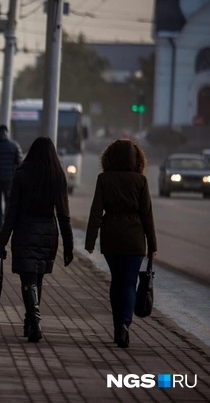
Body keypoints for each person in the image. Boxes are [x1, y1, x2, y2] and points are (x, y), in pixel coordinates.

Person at [0, 136, 74, 343]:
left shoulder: (22, 174)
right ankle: (30, 322)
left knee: (28, 279)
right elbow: (64, 214)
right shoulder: (57, 175)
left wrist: (2, 240)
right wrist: (69, 246)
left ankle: (35, 322)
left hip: (25, 230)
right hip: (48, 232)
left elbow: (11, 212)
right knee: (37, 278)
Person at [84, 138, 157, 348]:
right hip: (135, 239)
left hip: (111, 237)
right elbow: (147, 215)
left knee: (117, 281)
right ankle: (124, 324)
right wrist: (152, 245)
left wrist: (90, 241)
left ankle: (118, 325)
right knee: (128, 282)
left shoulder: (104, 179)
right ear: (137, 159)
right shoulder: (140, 181)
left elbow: (96, 211)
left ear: (109, 157)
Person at [0, 124, 23, 232]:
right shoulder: (14, 146)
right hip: (9, 179)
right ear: (7, 132)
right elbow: (19, 162)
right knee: (8, 201)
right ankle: (7, 225)